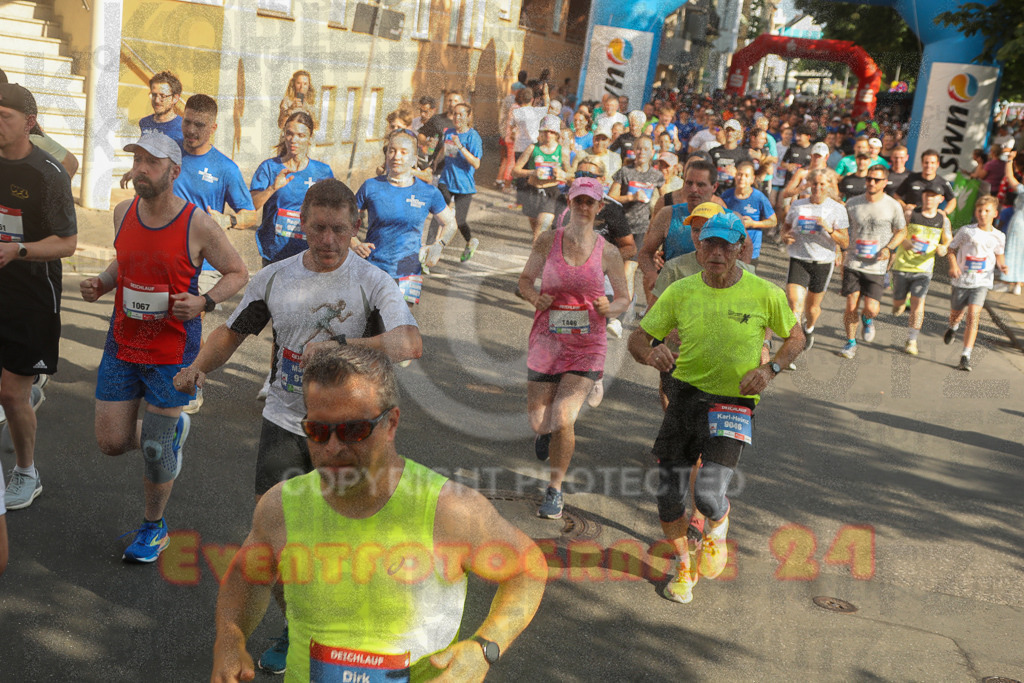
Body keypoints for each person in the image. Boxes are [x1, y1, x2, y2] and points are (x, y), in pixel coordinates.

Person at [174, 180, 421, 673]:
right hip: (287, 424)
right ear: (302, 224)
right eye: (319, 228)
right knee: (278, 541)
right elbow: (233, 331)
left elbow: (409, 344)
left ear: (356, 228)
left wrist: (346, 349)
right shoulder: (277, 277)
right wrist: (200, 366)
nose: (329, 240)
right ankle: (299, 628)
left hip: (353, 435)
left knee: (350, 538)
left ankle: (357, 630)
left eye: (340, 230)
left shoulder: (373, 282)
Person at [209, 346, 546, 682]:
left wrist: (484, 648)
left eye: (353, 430)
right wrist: (230, 639)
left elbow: (528, 569)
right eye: (318, 431)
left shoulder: (448, 509)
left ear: (391, 424)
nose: (333, 448)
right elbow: (245, 578)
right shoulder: (281, 506)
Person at [78, 130, 247, 562]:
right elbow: (125, 258)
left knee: (154, 448)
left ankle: (154, 527)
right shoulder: (122, 212)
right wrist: (104, 282)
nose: (139, 171)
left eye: (150, 163)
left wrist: (205, 301)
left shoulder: (198, 224)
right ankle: (170, 435)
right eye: (136, 161)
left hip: (172, 351)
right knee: (111, 442)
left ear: (173, 171)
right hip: (122, 343)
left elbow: (237, 273)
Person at [627, 211, 803, 604]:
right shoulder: (681, 291)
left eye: (727, 244)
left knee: (707, 495)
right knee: (668, 495)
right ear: (699, 246)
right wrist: (650, 353)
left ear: (742, 247)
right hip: (685, 395)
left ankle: (717, 524)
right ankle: (684, 567)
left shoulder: (764, 293)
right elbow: (638, 339)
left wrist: (770, 368)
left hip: (733, 402)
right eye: (710, 243)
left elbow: (796, 337)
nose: (717, 252)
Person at [519, 177, 629, 519]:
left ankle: (555, 490)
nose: (583, 208)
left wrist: (611, 309)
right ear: (569, 203)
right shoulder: (548, 241)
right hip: (546, 340)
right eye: (578, 201)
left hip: (587, 343)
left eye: (589, 203)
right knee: (541, 423)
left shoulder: (608, 252)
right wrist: (537, 297)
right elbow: (524, 281)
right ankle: (547, 433)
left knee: (564, 418)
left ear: (599, 208)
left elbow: (625, 297)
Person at [0, 83, 77, 511]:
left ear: (28, 123)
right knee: (9, 391)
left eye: (4, 116)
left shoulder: (48, 173)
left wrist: (19, 250)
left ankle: (26, 472)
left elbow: (68, 243)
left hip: (32, 295)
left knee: (11, 393)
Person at [353, 130, 457, 303]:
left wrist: (439, 245)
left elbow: (450, 224)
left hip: (408, 271)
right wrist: (354, 243)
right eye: (392, 151)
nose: (396, 156)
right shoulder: (370, 186)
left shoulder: (428, 193)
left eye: (403, 152)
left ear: (414, 159)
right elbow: (344, 221)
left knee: (400, 327)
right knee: (370, 327)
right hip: (373, 268)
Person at [780, 168, 849, 357]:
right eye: (815, 183)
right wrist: (785, 237)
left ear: (829, 186)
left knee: (812, 308)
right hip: (799, 258)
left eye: (822, 184)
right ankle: (793, 346)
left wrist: (829, 230)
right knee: (795, 305)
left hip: (822, 262)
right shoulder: (798, 205)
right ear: (809, 184)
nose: (817, 187)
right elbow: (785, 228)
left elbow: (845, 242)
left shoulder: (837, 209)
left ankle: (809, 328)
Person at [839, 165, 906, 359]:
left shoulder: (893, 205)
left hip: (876, 266)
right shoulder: (852, 203)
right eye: (869, 179)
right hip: (853, 262)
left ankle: (867, 320)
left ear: (885, 183)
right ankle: (850, 343)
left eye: (876, 180)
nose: (871, 183)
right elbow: (843, 229)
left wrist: (889, 248)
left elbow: (902, 231)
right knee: (851, 304)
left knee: (871, 308)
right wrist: (840, 250)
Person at [250, 111, 334, 266]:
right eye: (289, 134)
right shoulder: (269, 168)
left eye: (301, 135)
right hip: (274, 254)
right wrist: (272, 188)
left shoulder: (322, 172)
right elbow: (251, 206)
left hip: (309, 253)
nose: (293, 140)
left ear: (309, 138)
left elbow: (333, 212)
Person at [942, 196, 1007, 371]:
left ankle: (965, 355)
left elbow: (999, 254)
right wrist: (954, 265)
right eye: (979, 210)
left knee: (973, 315)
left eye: (987, 211)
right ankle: (953, 326)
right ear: (975, 212)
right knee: (956, 313)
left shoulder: (999, 236)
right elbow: (951, 249)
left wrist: (1002, 265)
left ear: (995, 213)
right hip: (962, 279)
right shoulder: (966, 231)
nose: (983, 214)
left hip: (982, 281)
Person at [890, 181, 952, 355]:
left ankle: (912, 340)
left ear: (940, 199)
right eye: (926, 195)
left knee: (918, 303)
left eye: (933, 196)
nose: (929, 199)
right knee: (898, 303)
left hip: (924, 269)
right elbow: (897, 231)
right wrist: (904, 241)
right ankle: (899, 303)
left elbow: (948, 239)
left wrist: (943, 247)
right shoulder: (911, 213)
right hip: (903, 265)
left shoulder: (942, 219)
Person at [119, 71, 185, 189]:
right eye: (154, 95)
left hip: (170, 192)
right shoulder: (145, 123)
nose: (157, 100)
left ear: (175, 98)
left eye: (162, 96)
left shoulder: (183, 128)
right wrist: (134, 171)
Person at [436, 103, 483, 262]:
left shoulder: (473, 136)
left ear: (468, 116)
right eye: (455, 114)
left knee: (460, 221)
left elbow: (476, 163)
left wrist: (460, 146)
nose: (457, 117)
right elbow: (444, 151)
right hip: (445, 181)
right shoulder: (448, 132)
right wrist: (434, 165)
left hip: (464, 185)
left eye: (461, 114)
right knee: (440, 215)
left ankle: (470, 241)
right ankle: (435, 248)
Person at [513, 114, 571, 242]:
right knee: (536, 231)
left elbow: (571, 175)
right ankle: (542, 252)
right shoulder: (533, 148)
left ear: (556, 134)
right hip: (532, 191)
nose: (548, 135)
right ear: (540, 132)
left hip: (551, 193)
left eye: (551, 131)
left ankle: (539, 258)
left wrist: (562, 174)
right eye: (545, 131)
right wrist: (533, 172)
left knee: (541, 230)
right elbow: (515, 171)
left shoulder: (562, 151)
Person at [609, 135, 664, 250]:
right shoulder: (625, 171)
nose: (641, 152)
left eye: (646, 149)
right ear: (634, 151)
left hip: (642, 227)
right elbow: (611, 197)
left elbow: (665, 199)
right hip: (622, 225)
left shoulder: (657, 175)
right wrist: (631, 197)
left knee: (630, 265)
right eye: (638, 148)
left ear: (652, 152)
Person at [722, 160, 776, 266]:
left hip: (751, 251)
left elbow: (773, 221)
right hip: (729, 248)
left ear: (752, 179)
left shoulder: (758, 197)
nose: (742, 178)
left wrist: (753, 224)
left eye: (746, 175)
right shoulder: (726, 196)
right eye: (739, 174)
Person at [896, 149, 956, 217]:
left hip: (931, 220)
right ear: (922, 163)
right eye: (926, 162)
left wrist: (945, 212)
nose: (929, 166)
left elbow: (952, 201)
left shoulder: (943, 182)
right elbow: (896, 196)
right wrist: (905, 206)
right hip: (910, 217)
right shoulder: (911, 178)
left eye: (932, 163)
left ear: (937, 164)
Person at [996, 150, 1023, 294]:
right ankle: (1018, 284)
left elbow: (1009, 177)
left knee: (1011, 250)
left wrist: (1010, 160)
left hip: (1019, 222)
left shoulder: (1023, 189)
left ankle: (1006, 281)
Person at [418, 92, 463, 176]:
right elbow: (421, 135)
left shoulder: (463, 123)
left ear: (461, 103)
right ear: (446, 102)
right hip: (435, 167)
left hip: (455, 169)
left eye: (455, 101)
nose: (452, 103)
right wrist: (426, 142)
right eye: (450, 100)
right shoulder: (437, 119)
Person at [708, 119, 750, 192]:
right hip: (717, 193)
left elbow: (749, 176)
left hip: (734, 193)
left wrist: (737, 173)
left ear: (738, 133)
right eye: (727, 130)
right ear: (724, 132)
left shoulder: (744, 154)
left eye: (733, 130)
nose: (729, 133)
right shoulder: (713, 152)